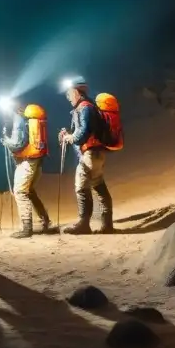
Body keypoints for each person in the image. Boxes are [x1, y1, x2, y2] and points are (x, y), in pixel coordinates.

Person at [57, 76, 114, 234]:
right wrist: (69, 133)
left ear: (76, 91)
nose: (68, 97)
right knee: (99, 186)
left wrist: (70, 137)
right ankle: (107, 224)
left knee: (81, 187)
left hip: (90, 153)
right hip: (96, 153)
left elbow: (83, 134)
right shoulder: (88, 106)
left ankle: (84, 224)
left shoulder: (84, 107)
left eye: (69, 93)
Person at [1, 99, 52, 238]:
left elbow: (18, 143)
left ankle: (26, 228)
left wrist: (6, 141)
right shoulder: (27, 118)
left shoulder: (18, 120)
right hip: (37, 160)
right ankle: (45, 220)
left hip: (27, 161)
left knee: (20, 191)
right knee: (29, 191)